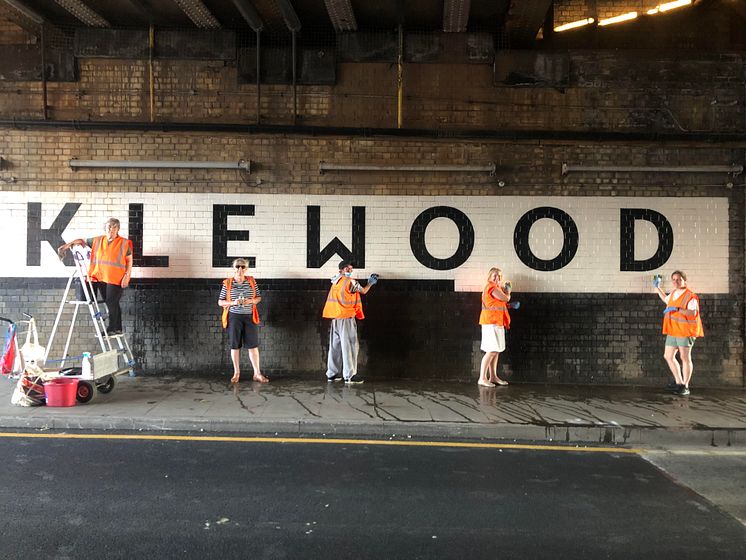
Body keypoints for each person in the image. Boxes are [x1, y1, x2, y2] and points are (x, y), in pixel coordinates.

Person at [57, 218, 133, 335]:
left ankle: (113, 328)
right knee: (110, 303)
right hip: (100, 277)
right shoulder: (97, 240)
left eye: (114, 227)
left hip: (116, 278)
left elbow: (129, 261)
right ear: (105, 228)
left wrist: (127, 276)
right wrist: (66, 246)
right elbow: (81, 241)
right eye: (109, 227)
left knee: (112, 302)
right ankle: (117, 328)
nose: (111, 229)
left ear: (118, 229)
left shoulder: (124, 243)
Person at [322, 260, 377, 384]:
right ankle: (349, 376)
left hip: (335, 319)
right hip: (346, 319)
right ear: (341, 270)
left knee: (335, 347)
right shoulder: (350, 281)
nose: (350, 271)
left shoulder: (335, 281)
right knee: (350, 347)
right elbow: (363, 291)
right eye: (347, 269)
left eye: (351, 269)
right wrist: (370, 283)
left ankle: (332, 374)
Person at [654, 270, 704, 396]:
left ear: (684, 280)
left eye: (679, 279)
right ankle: (679, 382)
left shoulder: (690, 296)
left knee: (684, 358)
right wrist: (657, 287)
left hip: (685, 331)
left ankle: (685, 386)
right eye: (674, 279)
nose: (676, 282)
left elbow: (693, 313)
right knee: (668, 356)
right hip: (673, 330)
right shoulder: (674, 293)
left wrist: (677, 309)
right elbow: (666, 299)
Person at [218, 258, 268, 384]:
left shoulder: (251, 281)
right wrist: (233, 302)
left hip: (249, 316)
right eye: (237, 267)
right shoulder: (228, 283)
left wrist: (250, 301)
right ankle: (237, 373)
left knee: (253, 346)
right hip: (234, 317)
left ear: (246, 269)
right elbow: (220, 301)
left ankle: (257, 373)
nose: (240, 270)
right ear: (233, 268)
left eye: (243, 267)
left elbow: (258, 298)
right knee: (235, 346)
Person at [478, 267, 511, 388]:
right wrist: (508, 291)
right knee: (491, 350)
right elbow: (505, 298)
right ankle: (482, 378)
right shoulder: (490, 287)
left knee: (496, 351)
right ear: (489, 277)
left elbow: (500, 302)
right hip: (490, 323)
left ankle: (493, 376)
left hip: (497, 323)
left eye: (499, 276)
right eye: (495, 275)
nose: (497, 278)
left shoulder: (497, 288)